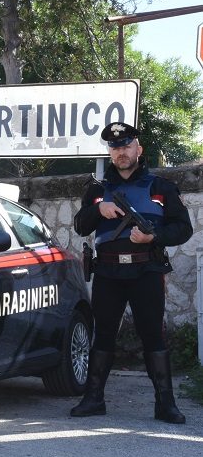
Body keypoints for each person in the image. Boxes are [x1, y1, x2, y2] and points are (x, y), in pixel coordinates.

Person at [71, 122, 191, 424]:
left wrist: (154, 236)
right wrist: (99, 210)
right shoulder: (98, 190)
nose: (120, 152)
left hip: (146, 270)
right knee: (103, 335)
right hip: (107, 272)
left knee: (153, 336)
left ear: (138, 148)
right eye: (114, 147)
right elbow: (80, 226)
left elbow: (183, 228)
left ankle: (165, 404)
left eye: (126, 146)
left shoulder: (160, 187)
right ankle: (93, 399)